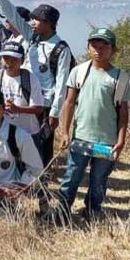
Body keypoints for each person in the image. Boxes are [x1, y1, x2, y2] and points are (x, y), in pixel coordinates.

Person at [0, 0, 74, 166]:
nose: (33, 22)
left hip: (43, 104)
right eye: (33, 18)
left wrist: (54, 113)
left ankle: (40, 180)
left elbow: (61, 83)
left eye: (38, 19)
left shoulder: (61, 49)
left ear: (49, 23)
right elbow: (12, 15)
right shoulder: (31, 37)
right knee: (17, 138)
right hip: (23, 97)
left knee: (41, 143)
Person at [58, 28, 129, 219]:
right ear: (88, 48)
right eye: (94, 45)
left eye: (104, 45)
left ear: (113, 50)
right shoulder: (79, 71)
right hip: (81, 138)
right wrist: (64, 132)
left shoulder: (121, 78)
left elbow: (123, 112)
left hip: (106, 142)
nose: (99, 49)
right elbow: (69, 102)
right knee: (71, 176)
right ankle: (62, 212)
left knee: (98, 180)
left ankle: (92, 213)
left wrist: (121, 141)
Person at [0, 41, 45, 148]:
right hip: (3, 132)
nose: (9, 63)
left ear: (22, 61)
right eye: (6, 58)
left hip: (28, 132)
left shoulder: (30, 78)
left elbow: (38, 108)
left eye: (14, 59)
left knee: (31, 164)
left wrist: (18, 109)